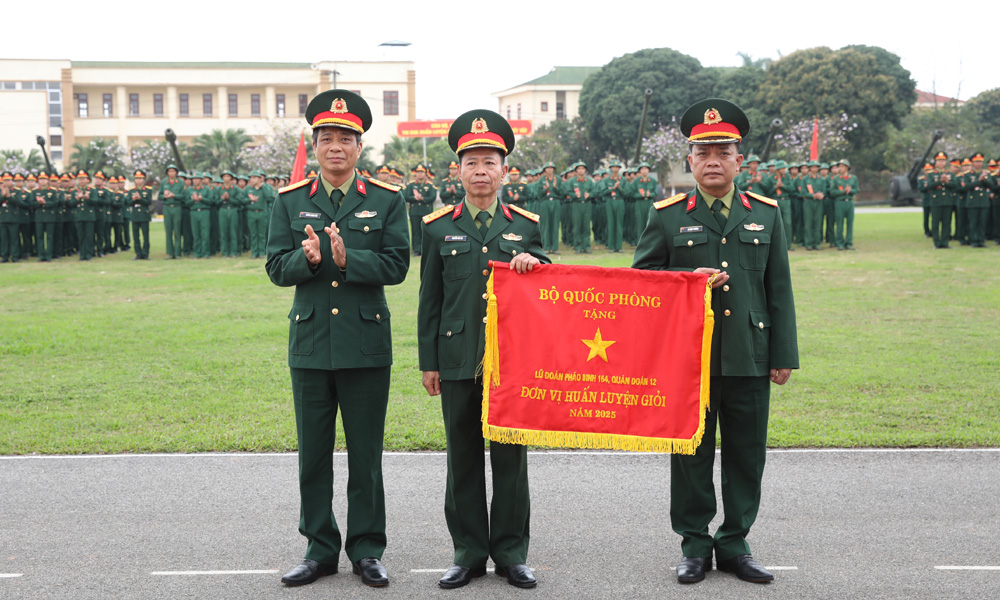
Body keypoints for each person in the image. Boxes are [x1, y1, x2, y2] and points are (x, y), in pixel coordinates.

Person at [631, 98, 798, 586]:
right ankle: (694, 546)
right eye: (703, 152)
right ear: (690, 160)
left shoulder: (765, 214)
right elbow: (642, 282)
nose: (712, 161)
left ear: (739, 160)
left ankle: (735, 544)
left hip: (750, 353)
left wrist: (783, 354)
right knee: (690, 456)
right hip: (689, 359)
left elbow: (779, 289)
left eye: (723, 152)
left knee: (746, 455)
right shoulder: (666, 216)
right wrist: (687, 279)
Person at [266, 89, 409, 589]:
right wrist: (304, 260)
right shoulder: (290, 201)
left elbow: (397, 266)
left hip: (365, 345)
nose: (335, 147)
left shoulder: (387, 200)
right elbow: (274, 267)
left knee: (366, 456)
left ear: (359, 146)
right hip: (310, 345)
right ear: (316, 145)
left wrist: (351, 260)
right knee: (313, 455)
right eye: (326, 138)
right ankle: (319, 550)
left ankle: (367, 550)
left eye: (345, 139)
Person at [418, 109, 548, 590]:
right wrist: (429, 362)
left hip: (511, 362)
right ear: (457, 171)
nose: (480, 170)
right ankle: (468, 553)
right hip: (456, 359)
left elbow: (549, 285)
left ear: (504, 171)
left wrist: (534, 261)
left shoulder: (525, 226)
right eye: (470, 162)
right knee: (463, 458)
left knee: (510, 461)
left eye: (489, 162)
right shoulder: (437, 228)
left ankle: (511, 553)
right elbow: (430, 300)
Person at [403, 163, 437, 256]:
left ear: (425, 174)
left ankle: (426, 249)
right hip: (415, 211)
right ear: (415, 173)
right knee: (415, 231)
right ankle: (416, 249)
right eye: (418, 172)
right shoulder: (411, 185)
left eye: (422, 172)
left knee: (426, 231)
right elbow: (405, 196)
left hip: (426, 211)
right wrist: (414, 198)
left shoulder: (430, 186)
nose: (420, 174)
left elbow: (432, 197)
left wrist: (423, 199)